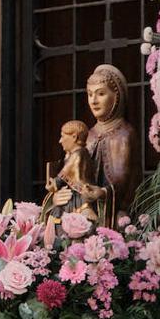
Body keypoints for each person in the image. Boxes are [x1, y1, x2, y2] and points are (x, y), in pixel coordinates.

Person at [50, 64, 139, 227]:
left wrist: (102, 193)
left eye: (101, 94)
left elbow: (124, 181)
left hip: (113, 216)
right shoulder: (87, 135)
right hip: (79, 212)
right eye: (90, 94)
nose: (93, 101)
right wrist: (57, 196)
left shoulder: (125, 134)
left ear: (116, 96)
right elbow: (70, 174)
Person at [41, 120, 101, 223]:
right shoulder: (80, 153)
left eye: (63, 136)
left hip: (76, 196)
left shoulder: (77, 155)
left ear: (74, 137)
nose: (60, 141)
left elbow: (64, 174)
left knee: (65, 219)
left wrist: (53, 183)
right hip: (73, 195)